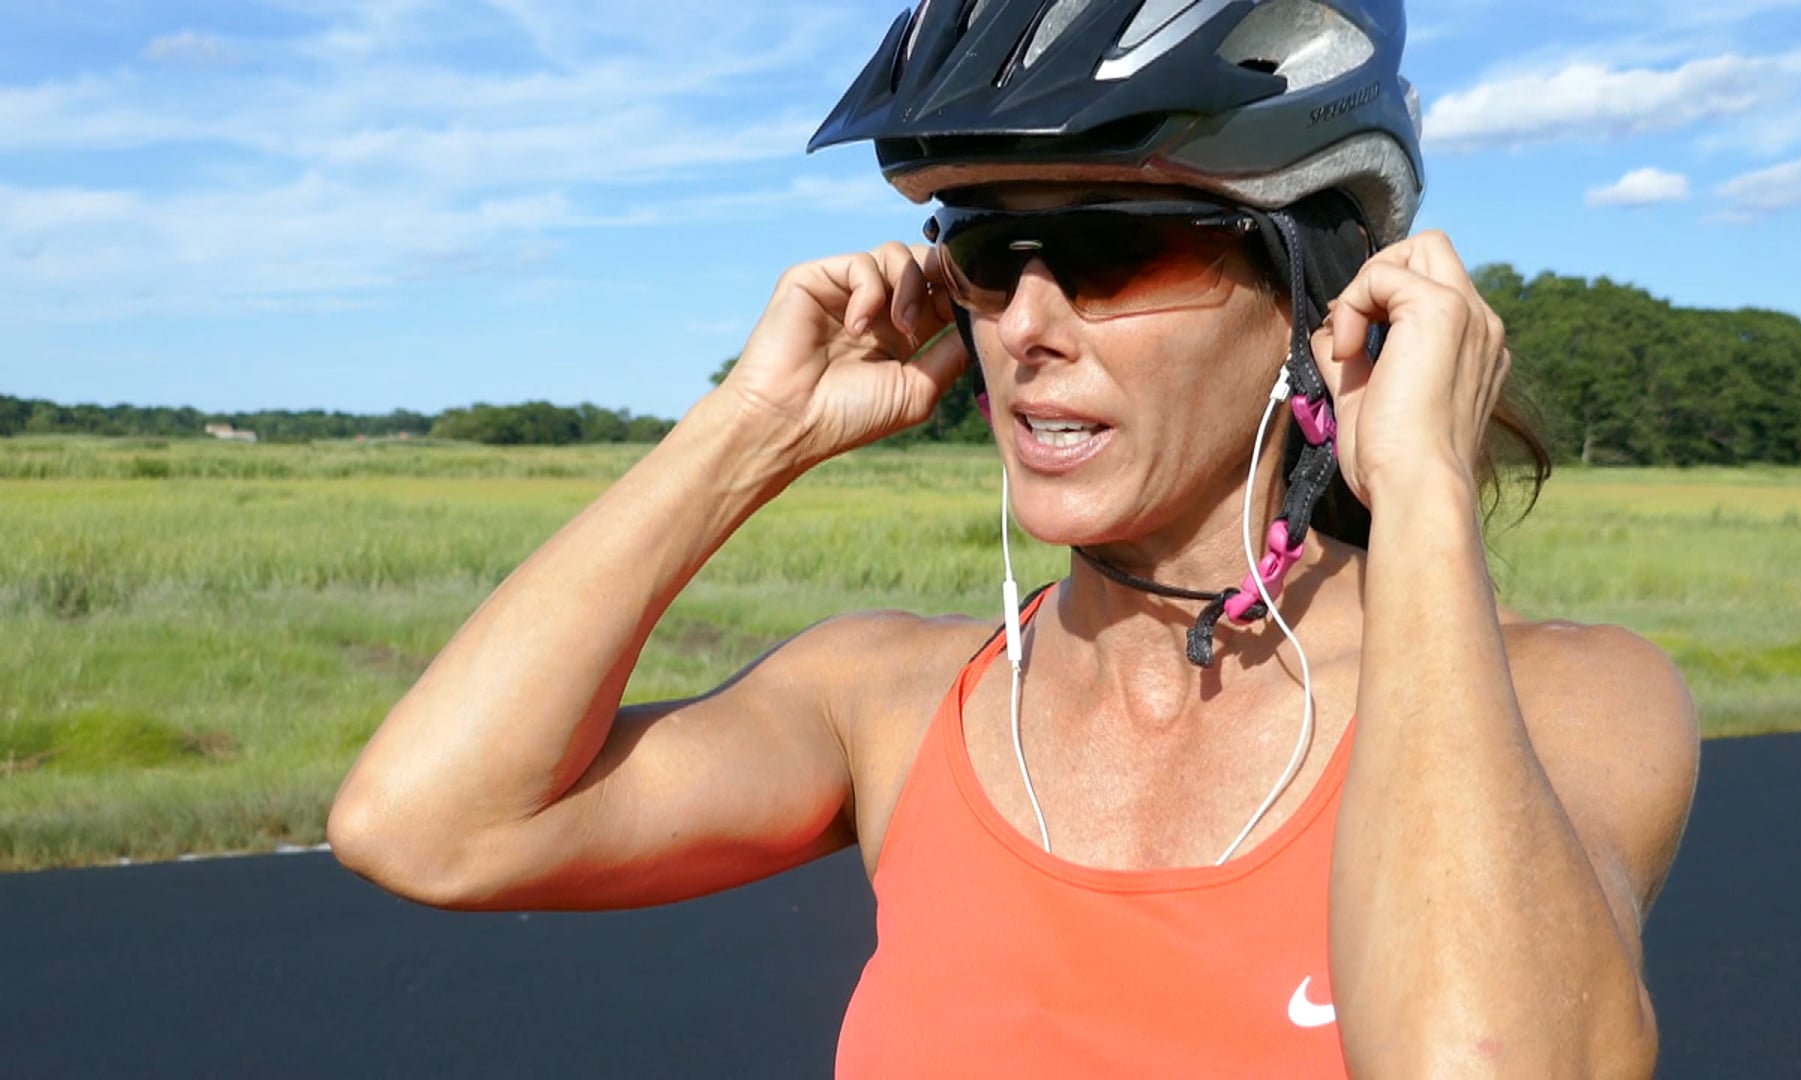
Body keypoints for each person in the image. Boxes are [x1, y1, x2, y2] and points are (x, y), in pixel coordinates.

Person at [328, 1, 1700, 1074]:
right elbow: (433, 828)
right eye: (986, 254)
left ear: (1321, 298)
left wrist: (1427, 499)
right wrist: (753, 428)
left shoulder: (1564, 701)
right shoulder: (892, 698)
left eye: (1116, 252)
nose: (1028, 327)